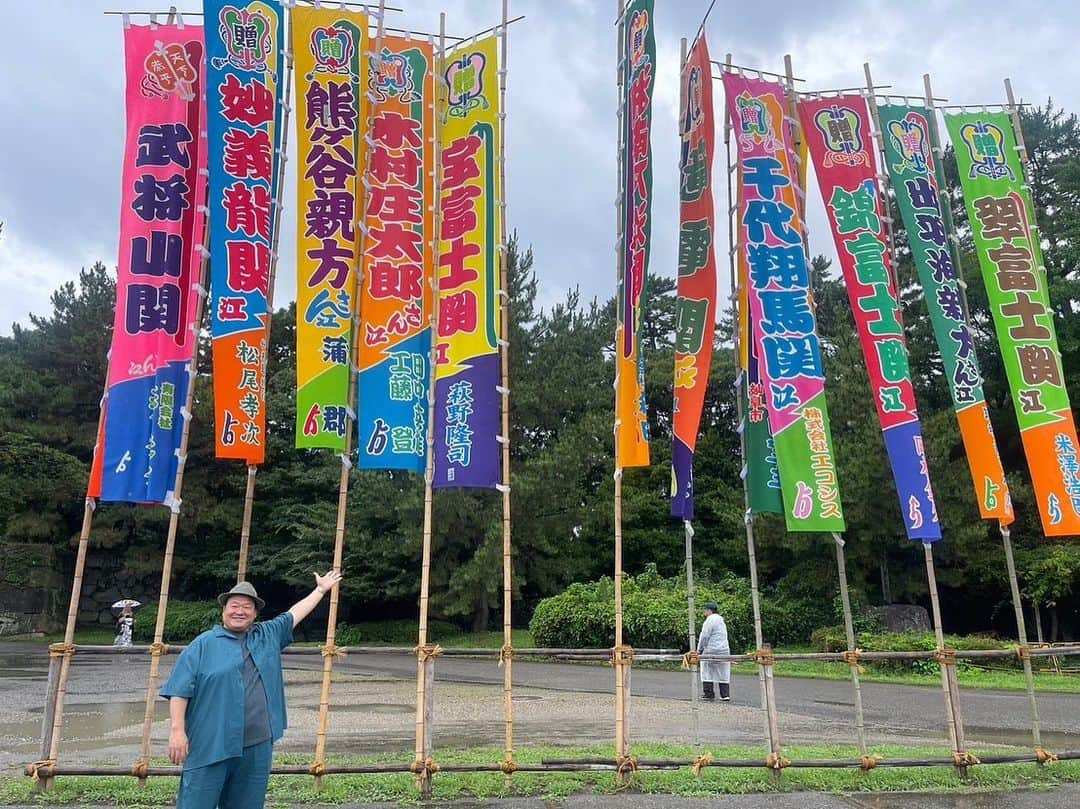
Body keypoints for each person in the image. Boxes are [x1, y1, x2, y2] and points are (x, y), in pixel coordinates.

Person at [161, 570, 342, 809]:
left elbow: (294, 614)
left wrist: (320, 590)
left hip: (256, 742)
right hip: (210, 740)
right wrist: (177, 731)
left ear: (255, 614)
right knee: (197, 801)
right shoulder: (204, 644)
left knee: (247, 803)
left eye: (247, 607)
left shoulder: (267, 635)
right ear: (224, 610)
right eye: (234, 605)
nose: (240, 611)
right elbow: (180, 689)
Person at [697, 602, 731, 701]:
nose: (704, 612)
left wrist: (699, 649)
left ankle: (709, 693)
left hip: (711, 649)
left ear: (709, 611)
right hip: (724, 649)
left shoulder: (710, 620)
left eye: (705, 610)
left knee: (707, 670)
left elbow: (704, 636)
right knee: (723, 671)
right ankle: (725, 695)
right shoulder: (721, 620)